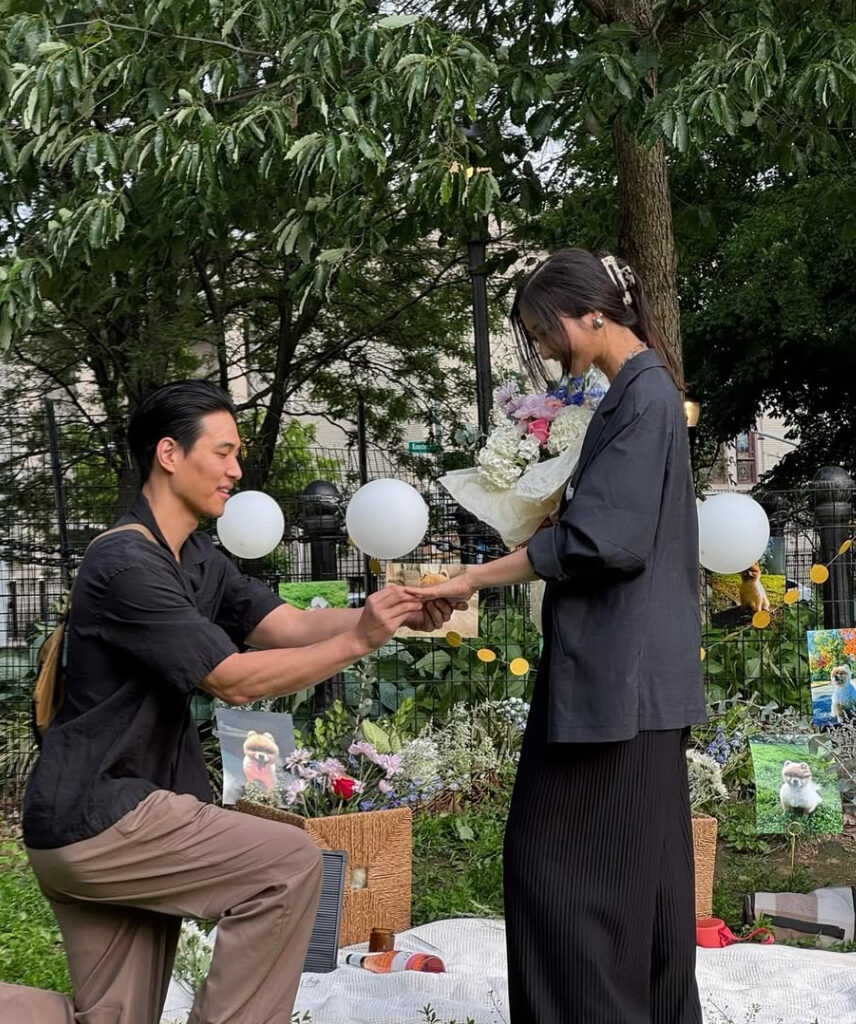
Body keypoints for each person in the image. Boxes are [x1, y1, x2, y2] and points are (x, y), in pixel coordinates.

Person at [0, 380, 460, 1024]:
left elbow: (287, 627)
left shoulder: (195, 556)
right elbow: (233, 679)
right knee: (291, 864)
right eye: (223, 452)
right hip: (101, 811)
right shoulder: (127, 564)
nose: (235, 470)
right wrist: (361, 639)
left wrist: (387, 615)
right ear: (169, 453)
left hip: (103, 815)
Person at [408, 249, 707, 1024]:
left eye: (545, 330)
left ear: (593, 314)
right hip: (632, 680)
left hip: (619, 683)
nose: (543, 349)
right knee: (645, 883)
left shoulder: (639, 399)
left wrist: (471, 578)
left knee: (558, 873)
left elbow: (606, 540)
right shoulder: (637, 396)